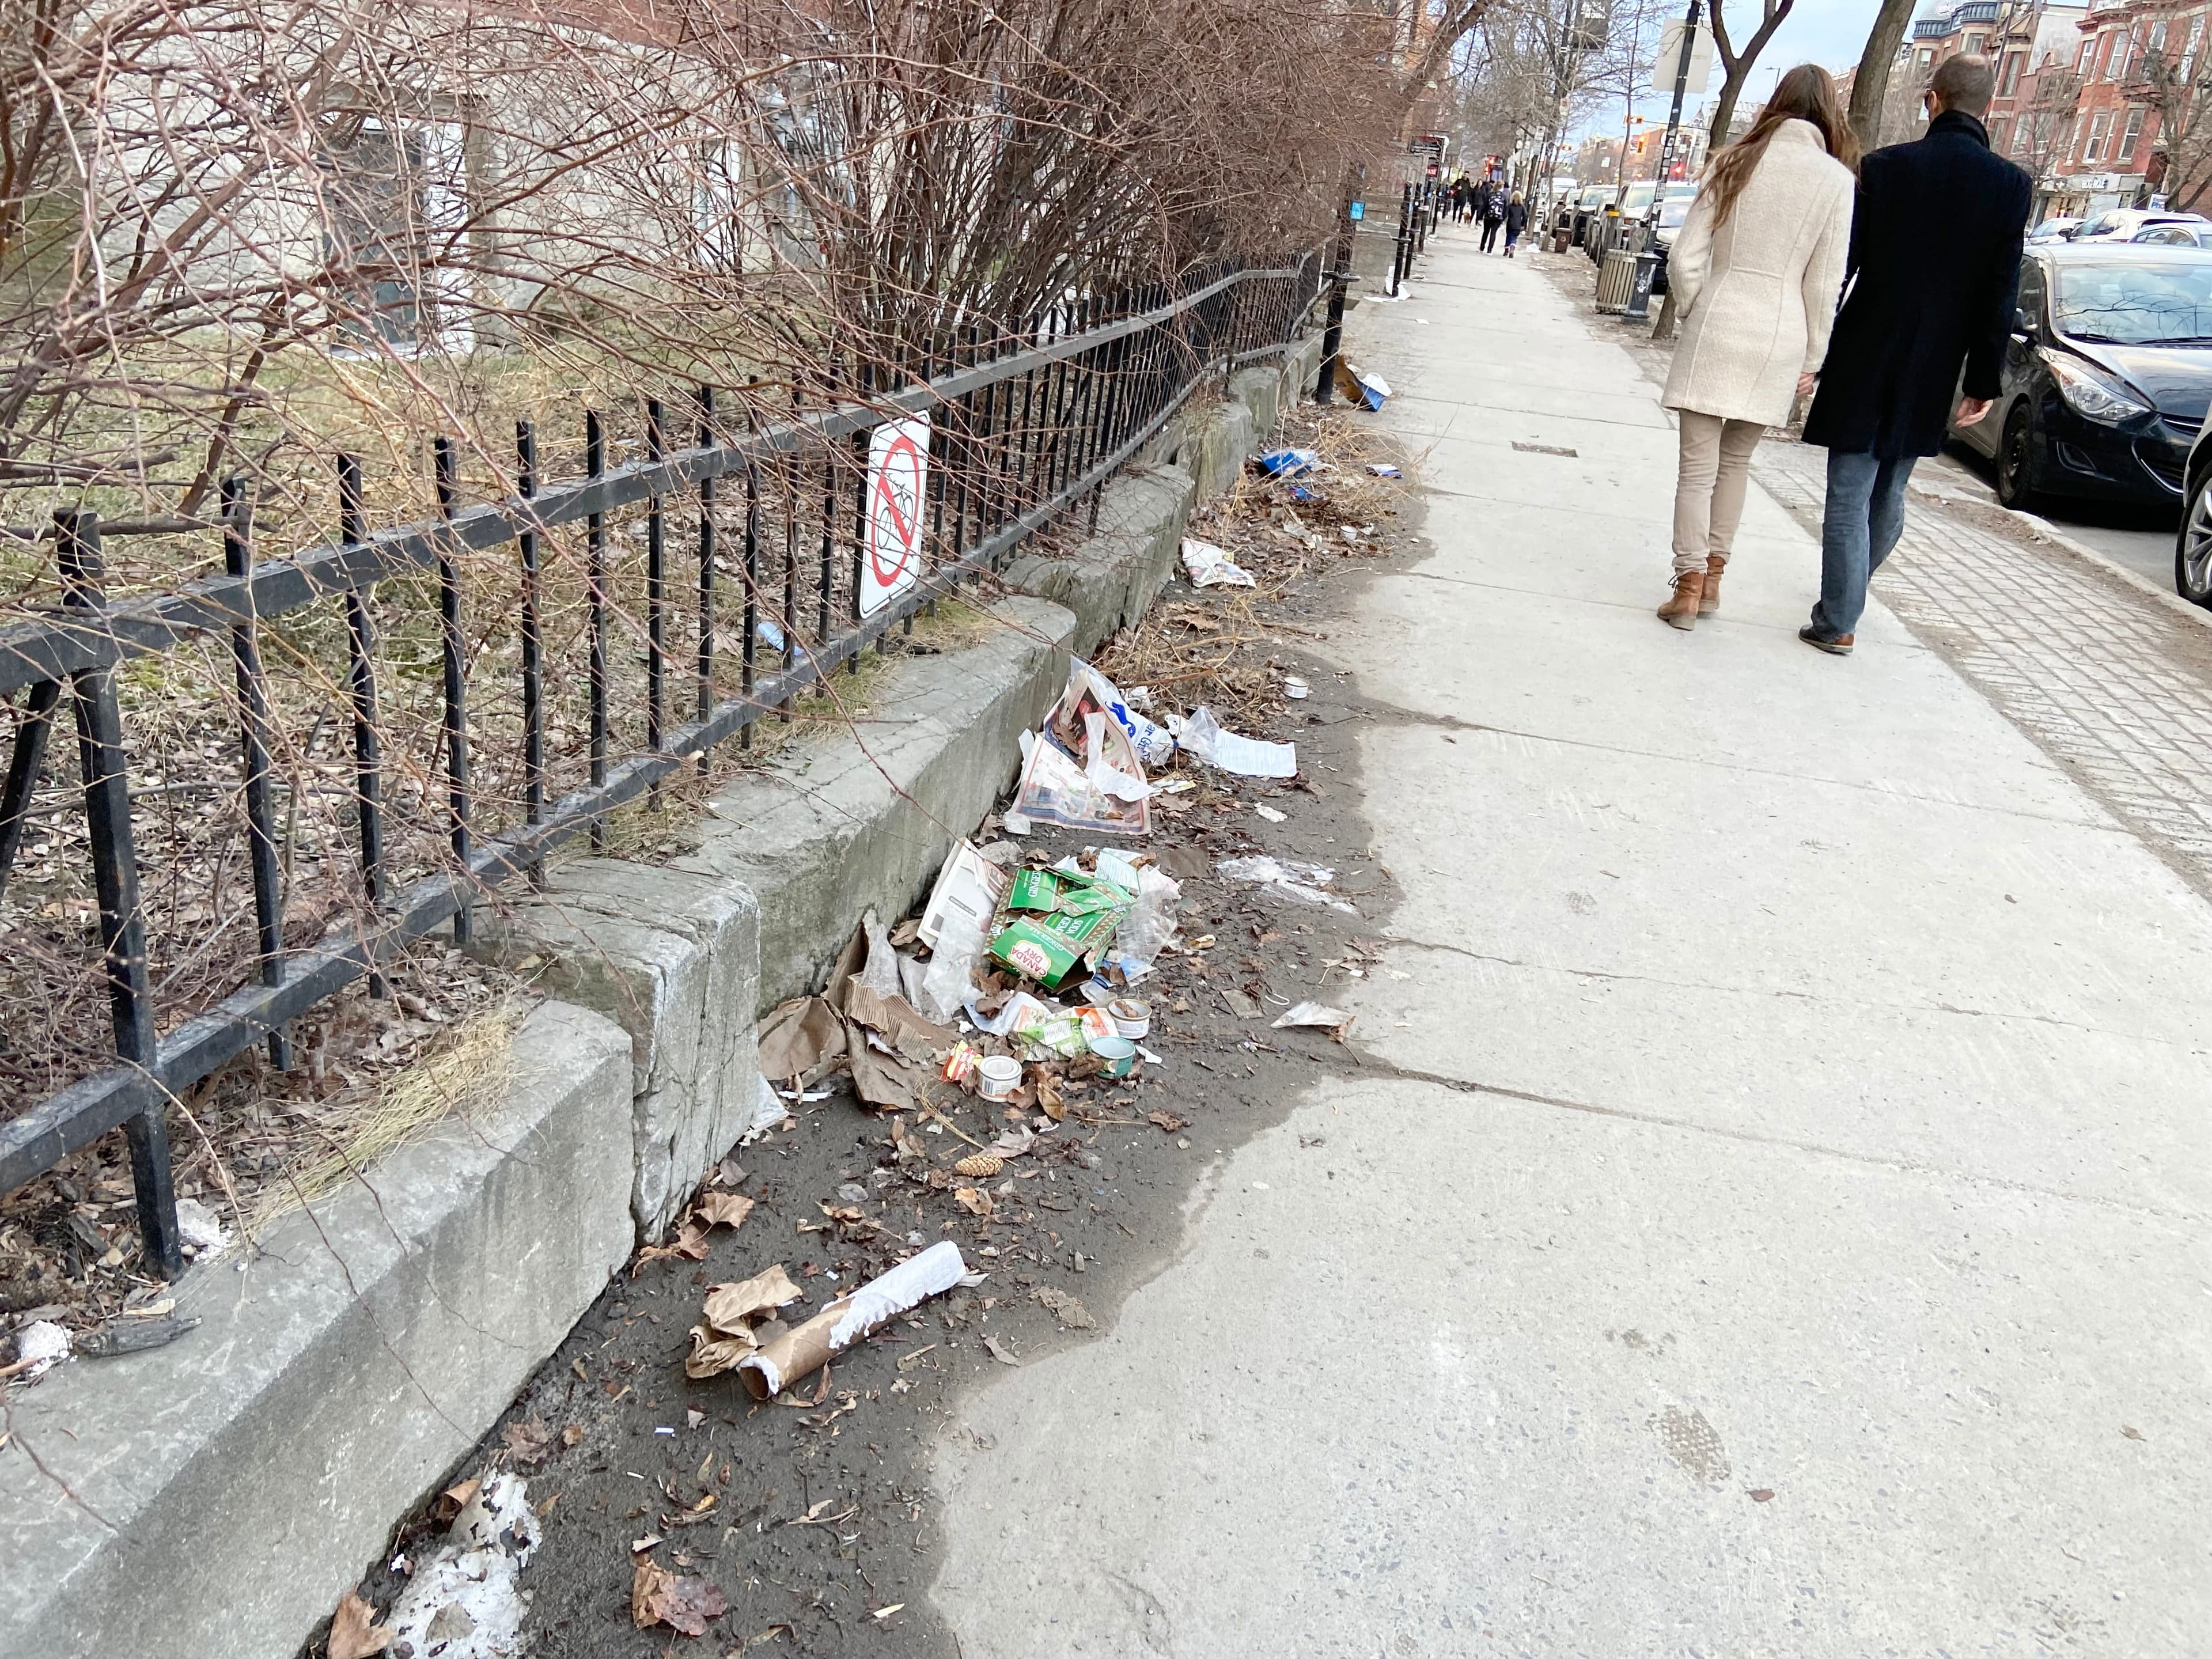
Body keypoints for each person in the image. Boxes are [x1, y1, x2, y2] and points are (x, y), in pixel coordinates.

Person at [1798, 52, 2031, 654]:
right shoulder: (2010, 186)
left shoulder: (1884, 169)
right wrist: (1984, 378)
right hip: (1936, 363)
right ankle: (1845, 597)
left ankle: (1839, 618)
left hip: (1866, 346)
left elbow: (1840, 269)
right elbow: (1998, 291)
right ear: (1986, 106)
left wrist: (1813, 348)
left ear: (1933, 100)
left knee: (1850, 492)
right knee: (1890, 492)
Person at [1655, 63, 1858, 628]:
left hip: (1721, 317)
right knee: (1737, 462)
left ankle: (1687, 585)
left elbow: (1683, 257)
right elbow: (1825, 284)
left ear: (1777, 103)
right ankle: (1714, 581)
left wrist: (1696, 306)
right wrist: (1814, 359)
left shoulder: (1732, 162)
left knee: (1697, 469)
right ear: (1828, 115)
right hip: (1781, 332)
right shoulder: (1836, 181)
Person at [1480, 183, 1506, 253]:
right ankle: (1490, 250)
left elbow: (1485, 206)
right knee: (1493, 233)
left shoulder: (1489, 194)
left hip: (1488, 217)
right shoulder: (1504, 196)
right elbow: (1505, 209)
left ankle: (1482, 247)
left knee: (1486, 232)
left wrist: (1481, 216)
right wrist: (1503, 219)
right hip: (1498, 218)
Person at [1502, 190, 1528, 257]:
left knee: (1508, 237)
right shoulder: (1522, 207)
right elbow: (1525, 215)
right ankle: (1512, 249)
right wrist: (1523, 224)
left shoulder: (1510, 206)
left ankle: (1506, 250)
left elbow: (1505, 214)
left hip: (1510, 224)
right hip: (1518, 225)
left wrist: (1502, 220)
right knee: (1514, 238)